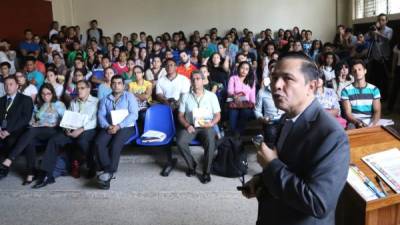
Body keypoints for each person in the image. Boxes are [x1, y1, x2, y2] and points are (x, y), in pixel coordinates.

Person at [241, 53, 350, 225]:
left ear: (311, 86)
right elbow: (289, 165)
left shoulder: (332, 135)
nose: (276, 85)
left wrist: (271, 166)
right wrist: (262, 179)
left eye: (288, 79)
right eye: (274, 77)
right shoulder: (287, 117)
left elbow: (318, 203)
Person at [33, 80, 98, 188]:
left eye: (82, 88)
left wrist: (81, 129)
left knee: (82, 141)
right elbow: (68, 117)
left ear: (88, 89)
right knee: (54, 140)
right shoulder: (73, 102)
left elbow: (95, 120)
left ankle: (92, 166)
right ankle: (46, 174)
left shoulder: (96, 101)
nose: (79, 90)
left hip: (87, 129)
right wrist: (66, 128)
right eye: (77, 88)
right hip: (73, 129)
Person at [0, 83, 64, 184]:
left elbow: (65, 121)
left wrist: (53, 124)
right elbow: (30, 121)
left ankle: (10, 159)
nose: (45, 96)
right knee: (30, 140)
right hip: (37, 132)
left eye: (48, 94)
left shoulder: (58, 104)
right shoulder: (37, 106)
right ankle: (31, 172)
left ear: (53, 94)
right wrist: (35, 122)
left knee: (31, 131)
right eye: (43, 94)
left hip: (52, 131)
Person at [95, 75, 139, 189]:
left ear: (123, 85)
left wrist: (119, 126)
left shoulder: (129, 97)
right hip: (109, 126)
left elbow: (134, 114)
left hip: (126, 127)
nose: (116, 85)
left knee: (115, 144)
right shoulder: (105, 99)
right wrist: (107, 126)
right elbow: (101, 115)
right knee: (99, 143)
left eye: (119, 83)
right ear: (110, 85)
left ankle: (109, 172)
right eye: (114, 83)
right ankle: (107, 168)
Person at [176, 70, 221, 184]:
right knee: (180, 141)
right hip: (191, 126)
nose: (195, 81)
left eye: (198, 79)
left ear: (203, 81)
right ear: (190, 81)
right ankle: (192, 165)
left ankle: (206, 172)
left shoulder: (211, 96)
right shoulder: (185, 96)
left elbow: (217, 115)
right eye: (193, 79)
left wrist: (211, 123)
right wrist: (187, 125)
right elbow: (180, 115)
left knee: (211, 141)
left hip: (206, 125)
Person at [341, 60, 381, 128]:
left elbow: (377, 111)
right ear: (352, 74)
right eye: (354, 70)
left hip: (371, 120)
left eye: (360, 69)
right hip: (354, 121)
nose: (357, 72)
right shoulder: (346, 91)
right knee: (352, 131)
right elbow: (348, 114)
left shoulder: (374, 89)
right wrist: (358, 122)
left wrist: (373, 124)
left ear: (365, 71)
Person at [0, 76, 33, 156]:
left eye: (11, 84)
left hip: (16, 129)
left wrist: (8, 130)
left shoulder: (26, 99)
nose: (8, 87)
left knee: (10, 141)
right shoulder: (1, 100)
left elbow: (25, 118)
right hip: (1, 129)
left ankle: (6, 165)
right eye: (6, 85)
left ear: (17, 86)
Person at [365, 13, 393, 100]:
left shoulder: (389, 30)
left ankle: (384, 97)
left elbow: (388, 39)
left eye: (383, 20)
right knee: (375, 78)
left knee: (384, 79)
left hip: (384, 57)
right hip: (375, 57)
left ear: (386, 21)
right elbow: (366, 37)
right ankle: (376, 95)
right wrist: (374, 29)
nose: (381, 22)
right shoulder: (374, 29)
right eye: (379, 20)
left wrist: (378, 33)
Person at [227, 61, 256, 134]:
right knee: (232, 125)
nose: (244, 70)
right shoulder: (233, 78)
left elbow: (252, 95)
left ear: (249, 71)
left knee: (246, 113)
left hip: (246, 105)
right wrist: (241, 97)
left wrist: (253, 104)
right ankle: (234, 136)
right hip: (233, 102)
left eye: (246, 69)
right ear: (239, 68)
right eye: (242, 68)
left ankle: (238, 136)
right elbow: (230, 92)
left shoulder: (251, 80)